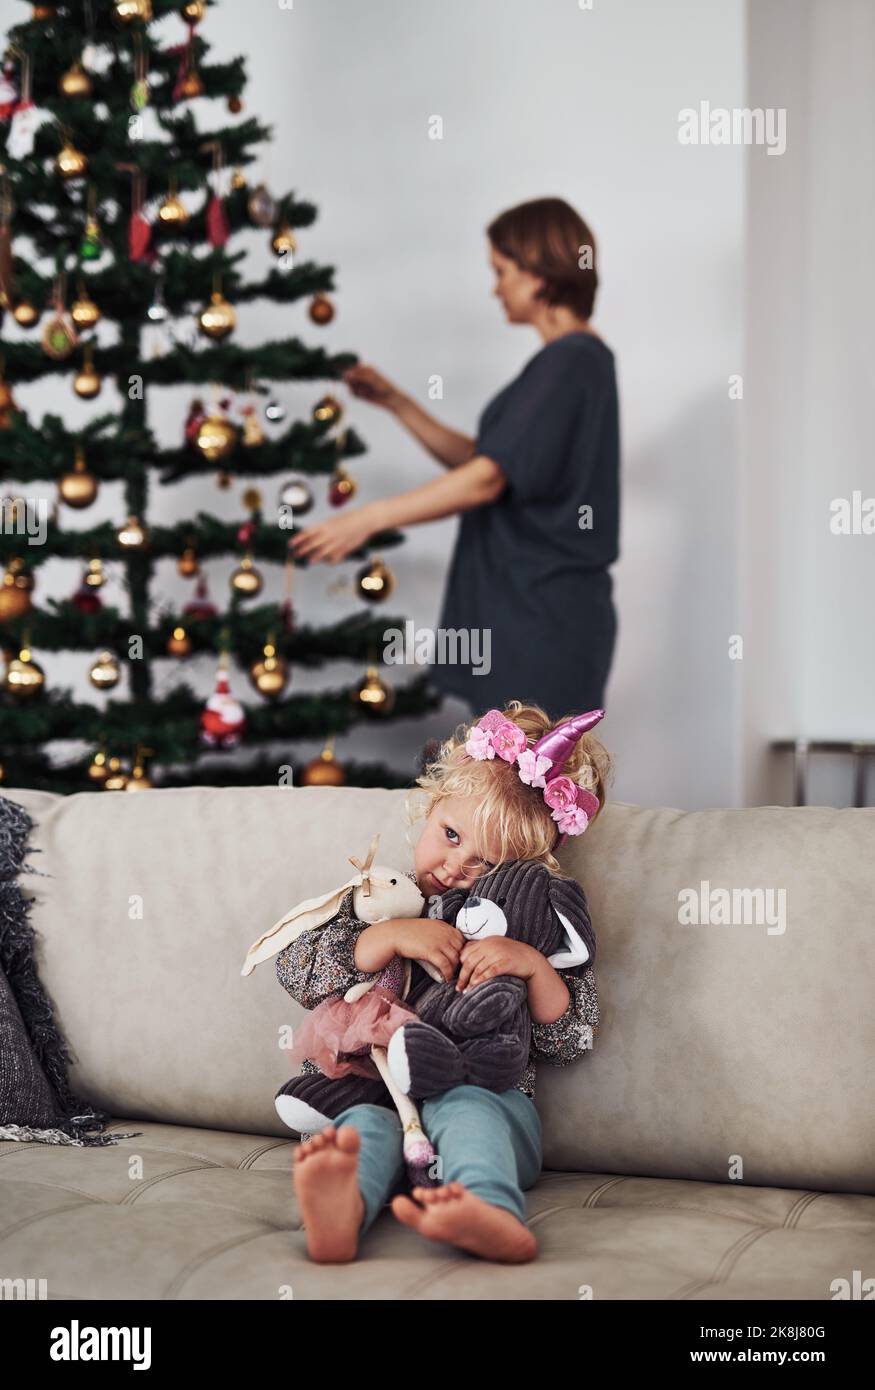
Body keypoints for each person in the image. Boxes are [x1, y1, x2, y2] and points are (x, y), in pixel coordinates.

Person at [275, 699, 614, 1263]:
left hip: (491, 1107)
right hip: (381, 1100)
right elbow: (296, 968)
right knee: (361, 1128)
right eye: (450, 835)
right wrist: (389, 939)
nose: (457, 868)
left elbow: (571, 1038)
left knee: (469, 1111)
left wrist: (529, 963)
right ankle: (341, 1212)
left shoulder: (520, 926)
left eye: (486, 863)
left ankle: (489, 1210)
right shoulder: (381, 899)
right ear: (430, 809)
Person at [289, 196, 620, 718]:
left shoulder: (570, 364)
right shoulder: (574, 364)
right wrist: (397, 403)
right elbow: (485, 462)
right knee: (513, 791)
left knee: (521, 795)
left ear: (539, 273)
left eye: (502, 270)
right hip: (529, 619)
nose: (495, 288)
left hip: (540, 625)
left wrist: (368, 518)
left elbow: (486, 480)